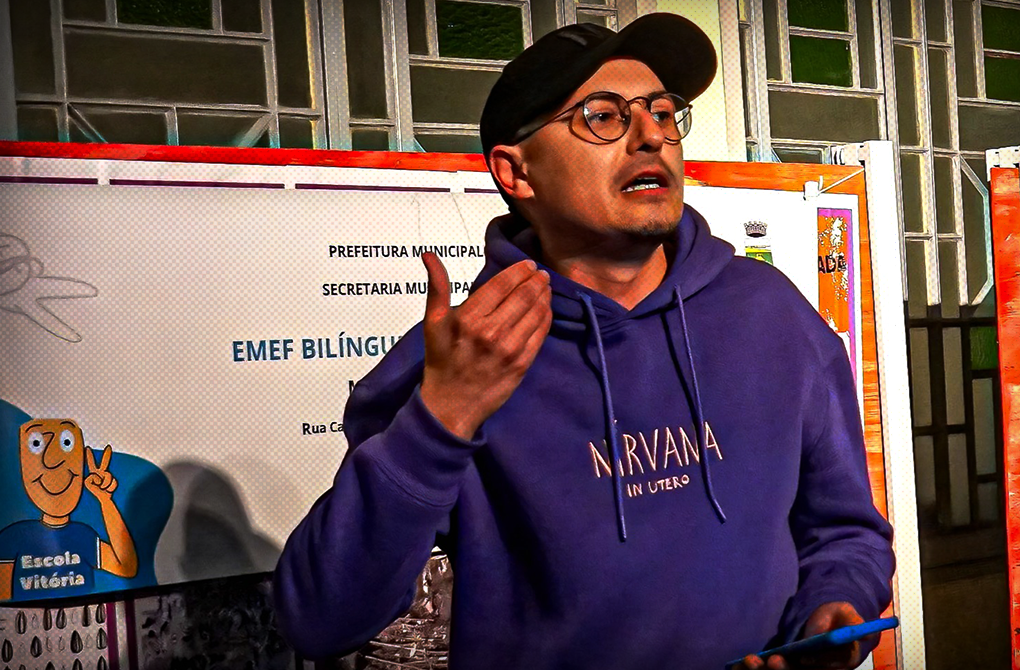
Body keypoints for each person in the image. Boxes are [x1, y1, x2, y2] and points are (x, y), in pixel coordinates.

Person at [273, 13, 894, 670]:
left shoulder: (770, 314)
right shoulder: (468, 354)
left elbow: (844, 531)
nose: (651, 137)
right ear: (517, 173)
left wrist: (836, 603)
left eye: (662, 113)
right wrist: (442, 417)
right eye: (603, 117)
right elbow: (320, 618)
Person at [0, 418, 137, 601]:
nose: (52, 461)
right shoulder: (13, 537)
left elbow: (126, 567)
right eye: (36, 444)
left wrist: (106, 501)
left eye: (66, 442)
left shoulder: (84, 535)